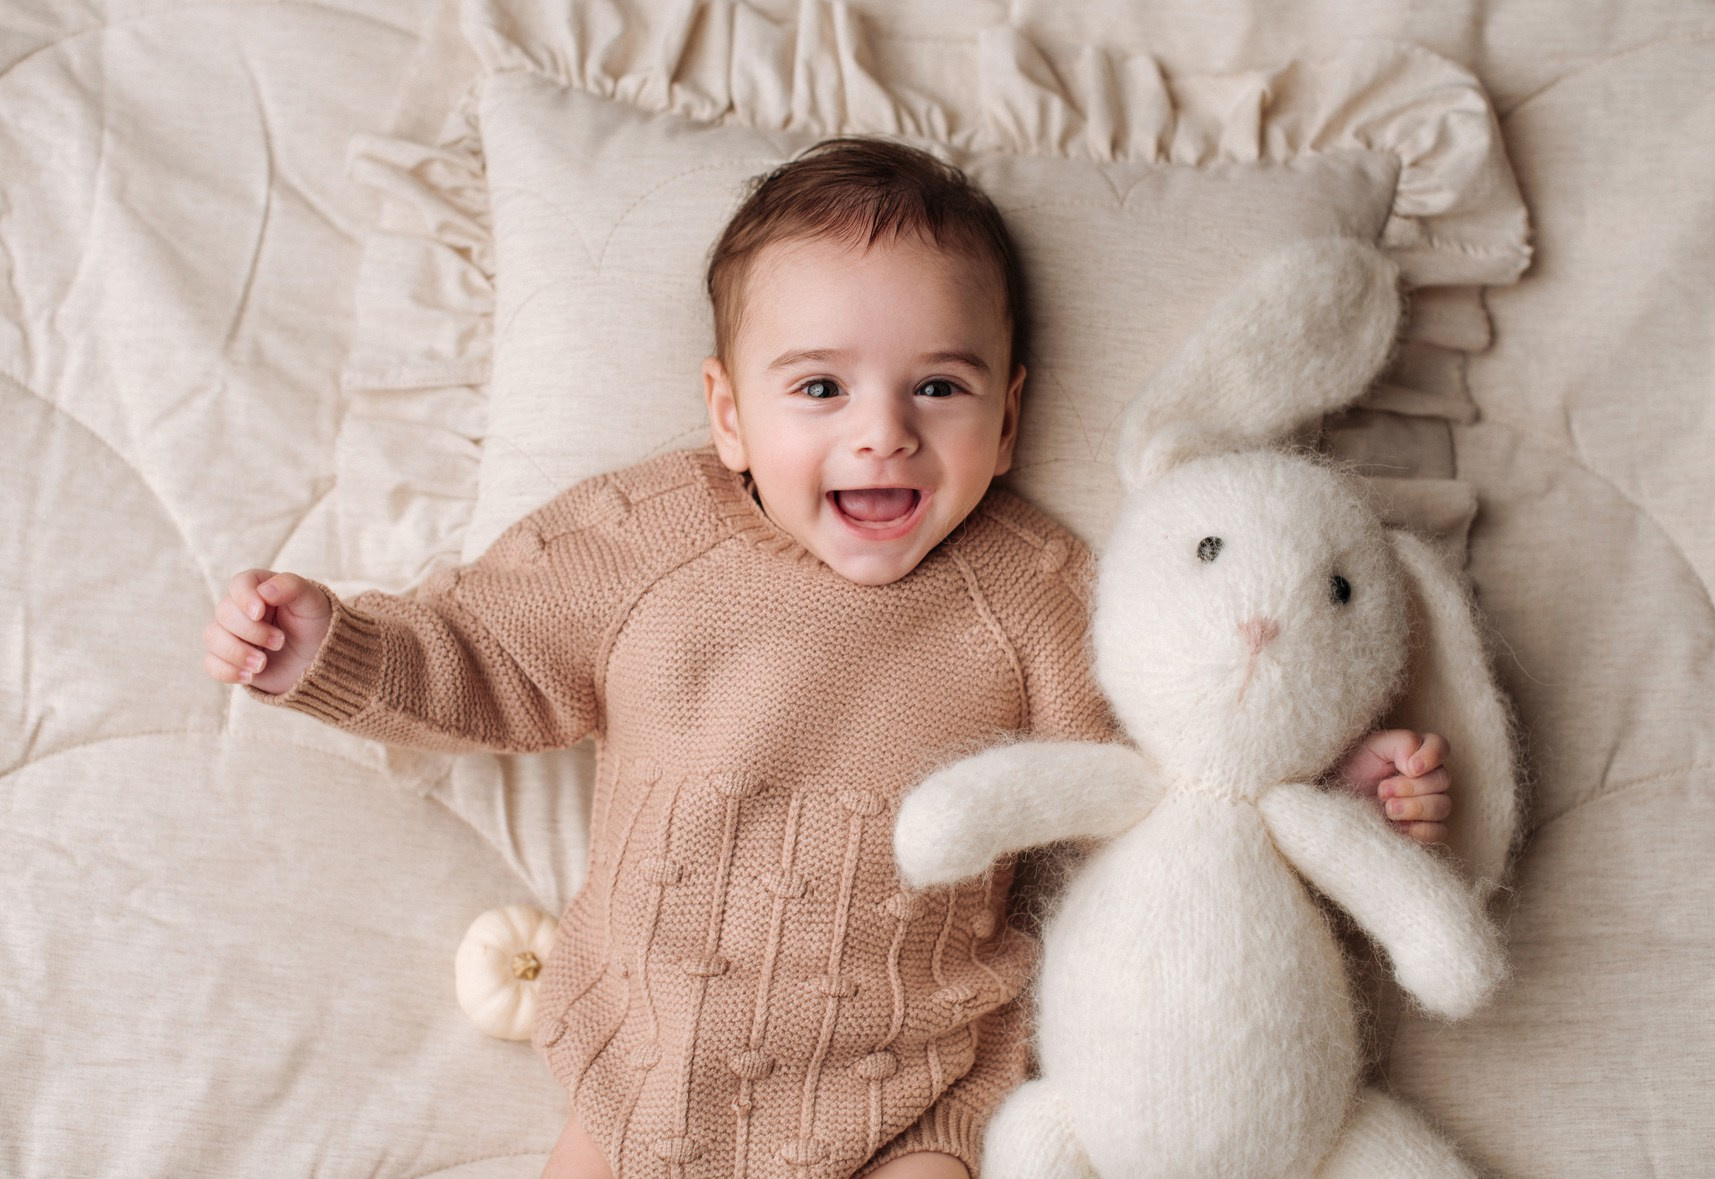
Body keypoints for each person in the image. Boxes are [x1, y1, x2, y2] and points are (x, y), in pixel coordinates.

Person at [201, 137, 1454, 1179]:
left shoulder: (1038, 592)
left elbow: (1169, 776)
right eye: (819, 391)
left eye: (939, 390)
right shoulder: (650, 540)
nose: (883, 437)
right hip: (644, 1063)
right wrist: (331, 647)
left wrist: (1333, 781)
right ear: (728, 413)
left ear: (1008, 416)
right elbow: (485, 653)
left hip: (915, 1094)